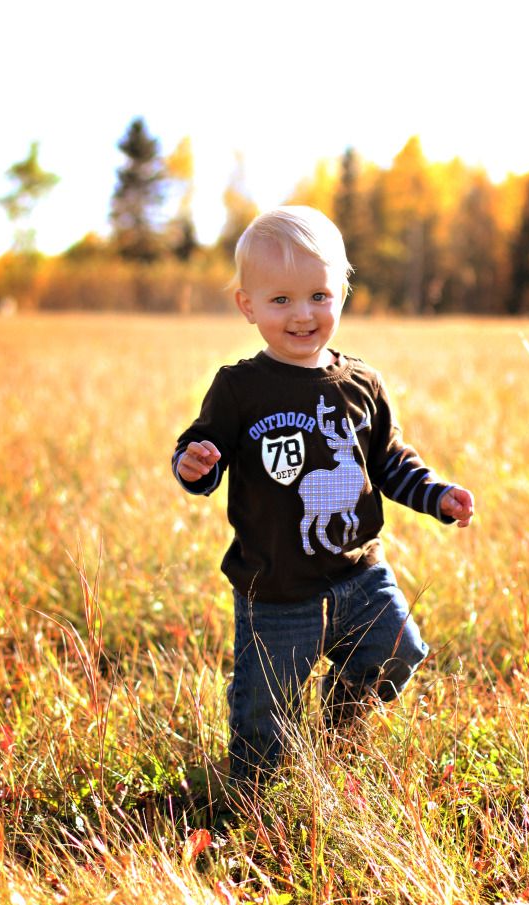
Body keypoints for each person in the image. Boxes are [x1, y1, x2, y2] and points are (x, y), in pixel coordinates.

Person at [172, 206, 473, 797]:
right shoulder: (240, 388)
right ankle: (251, 804)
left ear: (342, 293)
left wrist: (437, 495)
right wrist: (195, 464)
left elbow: (389, 461)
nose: (303, 314)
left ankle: (339, 728)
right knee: (265, 724)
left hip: (359, 575)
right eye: (280, 300)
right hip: (277, 590)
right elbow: (203, 451)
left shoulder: (362, 384)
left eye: (318, 295)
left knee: (397, 652)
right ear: (248, 306)